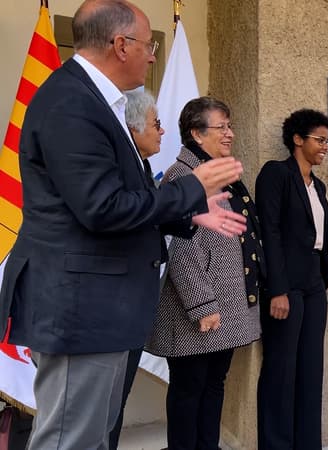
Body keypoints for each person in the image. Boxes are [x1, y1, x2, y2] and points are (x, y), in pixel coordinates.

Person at [0, 1, 247, 448]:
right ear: (120, 45)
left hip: (101, 310)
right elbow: (102, 207)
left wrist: (186, 212)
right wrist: (192, 188)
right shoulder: (71, 103)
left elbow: (127, 202)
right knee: (70, 441)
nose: (154, 55)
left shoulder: (96, 102)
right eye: (148, 45)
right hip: (82, 309)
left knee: (93, 438)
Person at [144, 96, 263, 450]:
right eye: (221, 127)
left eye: (230, 126)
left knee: (214, 385)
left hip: (225, 307)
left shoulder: (222, 172)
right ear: (197, 134)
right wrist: (202, 304)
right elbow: (180, 247)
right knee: (188, 391)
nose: (230, 134)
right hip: (196, 313)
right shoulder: (183, 177)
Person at [255, 108, 328, 449]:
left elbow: (315, 241)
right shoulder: (275, 174)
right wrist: (277, 289)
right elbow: (270, 232)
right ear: (298, 139)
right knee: (281, 371)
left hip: (313, 285)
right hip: (285, 287)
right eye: (319, 139)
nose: (325, 146)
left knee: (311, 370)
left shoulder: (319, 186)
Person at [108, 89, 164, 450]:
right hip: (113, 307)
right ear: (134, 125)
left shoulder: (142, 166)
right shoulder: (120, 168)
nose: (162, 131)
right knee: (101, 410)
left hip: (131, 308)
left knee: (114, 407)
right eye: (157, 124)